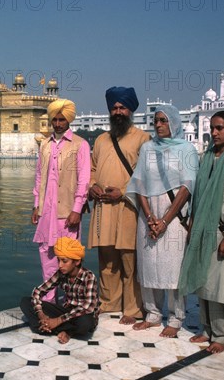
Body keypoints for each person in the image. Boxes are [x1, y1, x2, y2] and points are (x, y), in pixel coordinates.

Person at [178, 111, 224, 353]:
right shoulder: (207, 157)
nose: (215, 132)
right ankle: (206, 329)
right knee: (203, 281)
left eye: (220, 128)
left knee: (221, 286)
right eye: (212, 128)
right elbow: (199, 195)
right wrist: (192, 223)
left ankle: (223, 334)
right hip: (203, 228)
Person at [126, 104, 198, 337]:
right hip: (148, 213)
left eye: (163, 120)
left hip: (174, 214)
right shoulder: (147, 148)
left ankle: (176, 317)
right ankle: (153, 313)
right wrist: (149, 217)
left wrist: (165, 220)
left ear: (174, 123)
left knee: (173, 266)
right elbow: (139, 184)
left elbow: (187, 186)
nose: (158, 125)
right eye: (156, 120)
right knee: (148, 264)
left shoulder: (186, 149)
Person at [88, 87, 151, 325]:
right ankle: (109, 301)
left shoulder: (143, 138)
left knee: (129, 258)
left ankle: (133, 308)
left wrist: (123, 192)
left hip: (128, 207)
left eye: (122, 107)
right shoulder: (103, 139)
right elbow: (92, 168)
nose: (118, 111)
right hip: (103, 207)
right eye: (114, 107)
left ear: (130, 109)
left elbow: (147, 175)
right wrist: (92, 185)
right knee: (107, 259)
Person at [32, 99, 90, 303]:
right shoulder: (45, 145)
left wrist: (77, 209)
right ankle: (48, 301)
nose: (57, 124)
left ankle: (71, 300)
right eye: (54, 120)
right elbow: (39, 176)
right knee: (47, 256)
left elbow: (84, 181)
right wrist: (36, 204)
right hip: (46, 212)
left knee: (68, 257)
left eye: (61, 120)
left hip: (67, 212)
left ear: (69, 121)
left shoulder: (80, 145)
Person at [20, 237, 99, 344]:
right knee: (25, 302)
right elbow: (38, 291)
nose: (60, 265)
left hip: (81, 315)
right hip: (66, 312)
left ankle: (64, 331)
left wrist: (57, 320)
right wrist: (41, 314)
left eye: (64, 261)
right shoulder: (61, 273)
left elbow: (88, 307)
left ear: (77, 261)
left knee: (85, 324)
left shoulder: (89, 277)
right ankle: (55, 327)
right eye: (58, 260)